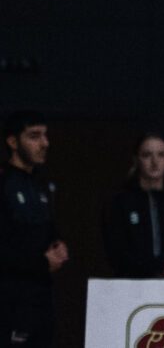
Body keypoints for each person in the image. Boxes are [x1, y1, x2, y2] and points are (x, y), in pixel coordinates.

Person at [101, 133, 164, 280]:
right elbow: (116, 253)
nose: (155, 162)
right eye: (147, 155)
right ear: (136, 159)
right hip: (133, 287)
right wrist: (159, 266)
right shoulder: (121, 202)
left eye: (161, 155)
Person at [2, 113, 65, 348]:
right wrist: (40, 261)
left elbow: (46, 229)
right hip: (10, 300)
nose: (44, 143)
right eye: (34, 136)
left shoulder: (41, 184)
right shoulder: (5, 183)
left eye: (45, 135)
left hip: (40, 297)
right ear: (13, 141)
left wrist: (58, 244)